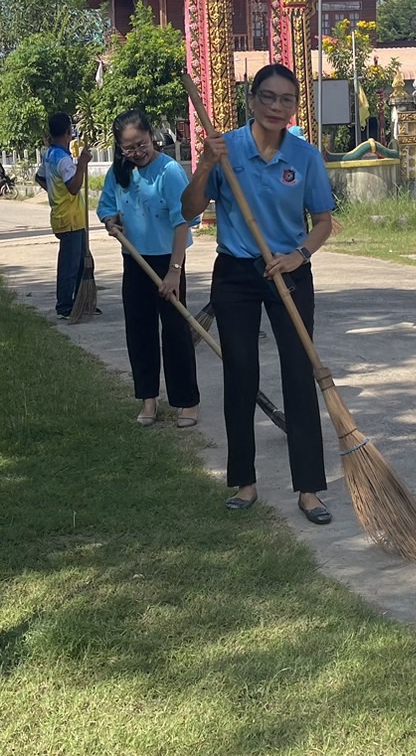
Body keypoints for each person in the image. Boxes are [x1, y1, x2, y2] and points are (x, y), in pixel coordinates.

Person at [181, 63, 337, 525]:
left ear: (295, 107)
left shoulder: (305, 157)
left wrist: (299, 256)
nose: (276, 107)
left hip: (289, 271)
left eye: (286, 99)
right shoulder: (226, 149)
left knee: (299, 373)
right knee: (241, 374)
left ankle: (309, 488)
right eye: (267, 97)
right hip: (236, 273)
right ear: (251, 100)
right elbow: (189, 209)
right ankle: (244, 482)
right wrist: (205, 164)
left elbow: (323, 221)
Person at [98, 109, 200, 428]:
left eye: (141, 144)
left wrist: (174, 271)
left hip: (168, 259)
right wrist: (111, 222)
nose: (138, 152)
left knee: (176, 331)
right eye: (129, 148)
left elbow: (183, 221)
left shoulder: (169, 171)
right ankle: (148, 399)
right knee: (139, 331)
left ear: (151, 136)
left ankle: (186, 401)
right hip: (135, 260)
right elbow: (107, 208)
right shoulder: (119, 172)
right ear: (120, 147)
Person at [43, 113, 92, 319]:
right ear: (68, 132)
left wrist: (55, 193)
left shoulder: (49, 154)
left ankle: (82, 301)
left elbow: (40, 178)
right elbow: (73, 187)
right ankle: (64, 306)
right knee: (70, 266)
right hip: (70, 218)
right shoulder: (63, 160)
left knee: (82, 262)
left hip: (68, 216)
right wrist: (82, 164)